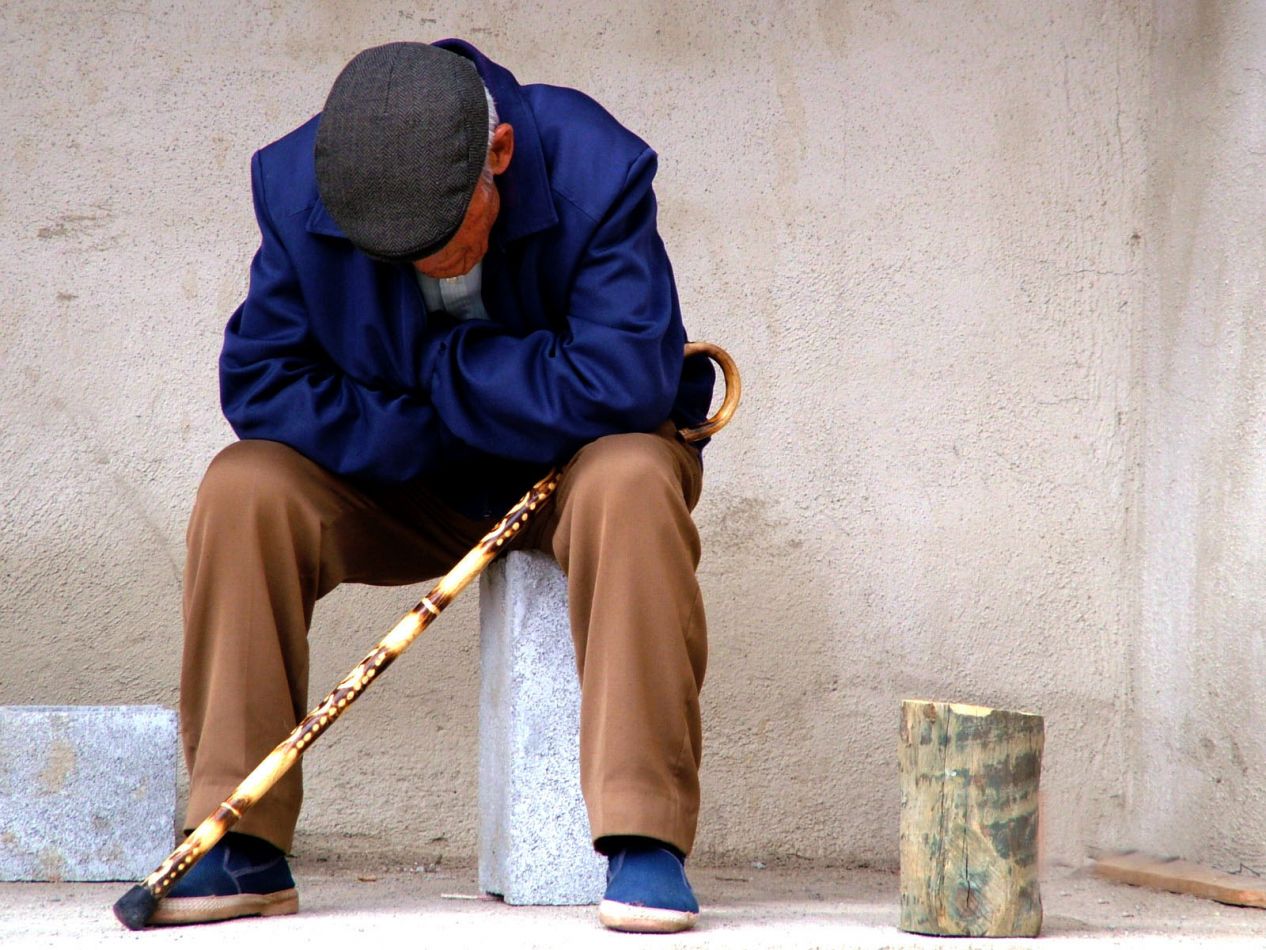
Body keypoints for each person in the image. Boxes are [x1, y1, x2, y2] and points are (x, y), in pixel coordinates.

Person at [157, 39, 716, 935]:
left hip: (576, 473)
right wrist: (443, 418)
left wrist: (435, 370)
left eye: (444, 239)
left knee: (638, 475)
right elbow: (261, 383)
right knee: (244, 487)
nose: (428, 266)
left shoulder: (595, 164)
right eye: (399, 254)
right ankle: (239, 837)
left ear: (499, 156)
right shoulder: (302, 186)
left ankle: (643, 838)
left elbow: (624, 383)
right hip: (406, 476)